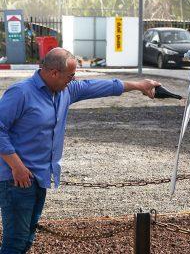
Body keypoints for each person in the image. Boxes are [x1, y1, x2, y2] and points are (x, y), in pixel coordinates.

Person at [0, 47, 161, 253]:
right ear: (53, 73)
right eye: (70, 76)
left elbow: (98, 86)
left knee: (26, 240)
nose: (73, 80)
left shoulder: (64, 90)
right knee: (15, 241)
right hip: (16, 180)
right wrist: (17, 166)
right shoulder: (21, 92)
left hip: (38, 177)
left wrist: (139, 85)